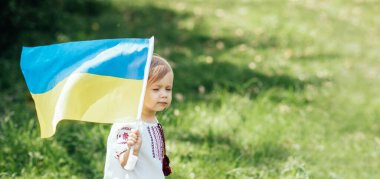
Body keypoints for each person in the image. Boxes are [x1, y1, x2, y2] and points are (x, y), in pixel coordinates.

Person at [104, 54, 173, 179]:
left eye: (168, 89)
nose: (164, 94)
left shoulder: (152, 120)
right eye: (156, 89)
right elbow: (125, 165)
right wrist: (132, 150)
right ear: (139, 91)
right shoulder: (128, 124)